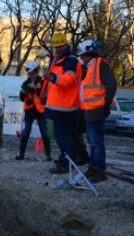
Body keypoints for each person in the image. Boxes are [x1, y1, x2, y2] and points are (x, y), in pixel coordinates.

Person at [44, 33, 88, 174]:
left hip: (66, 107)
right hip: (60, 106)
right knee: (65, 137)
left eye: (60, 46)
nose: (57, 49)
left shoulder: (69, 60)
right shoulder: (60, 59)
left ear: (66, 45)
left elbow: (68, 79)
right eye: (56, 47)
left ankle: (68, 162)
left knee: (63, 137)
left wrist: (54, 78)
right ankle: (71, 159)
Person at [78, 39, 117, 183]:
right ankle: (94, 167)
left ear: (88, 54)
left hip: (97, 109)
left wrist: (105, 105)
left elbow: (111, 84)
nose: (81, 58)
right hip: (90, 110)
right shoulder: (90, 67)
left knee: (96, 142)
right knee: (92, 141)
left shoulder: (100, 64)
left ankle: (99, 170)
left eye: (82, 56)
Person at [16, 60, 52, 161]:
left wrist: (34, 89)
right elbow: (22, 98)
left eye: (32, 72)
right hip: (29, 111)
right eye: (29, 73)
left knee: (44, 133)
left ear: (36, 71)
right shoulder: (25, 83)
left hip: (40, 111)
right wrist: (23, 92)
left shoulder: (43, 82)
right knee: (25, 132)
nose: (30, 75)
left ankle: (48, 155)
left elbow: (44, 95)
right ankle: (21, 154)